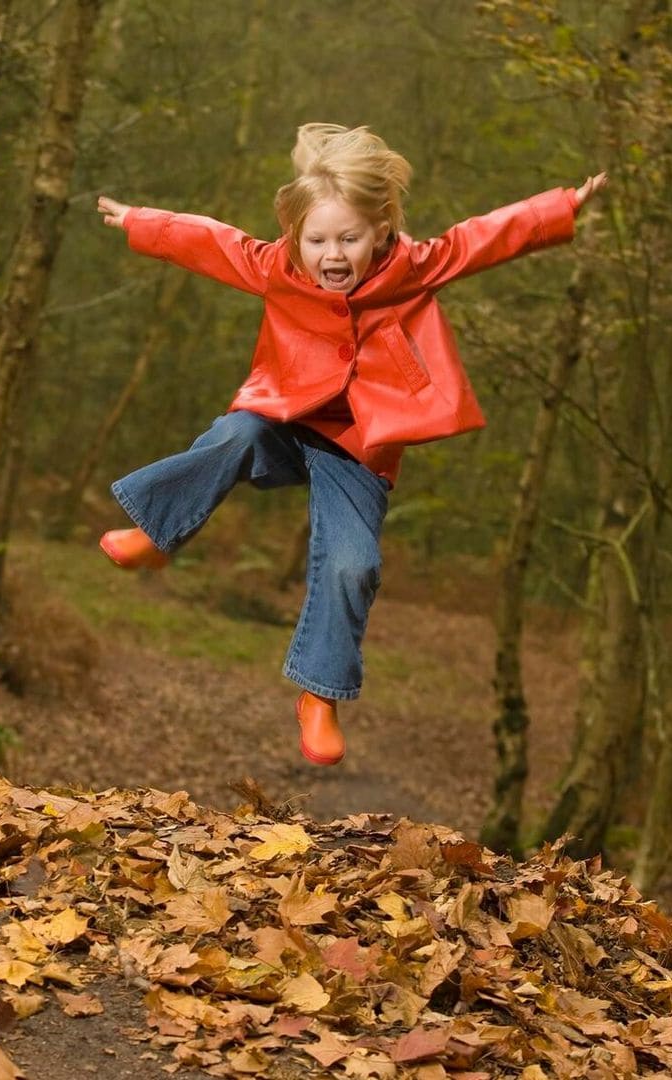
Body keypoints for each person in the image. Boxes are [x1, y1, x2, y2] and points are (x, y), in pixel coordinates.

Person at [93, 122, 606, 767]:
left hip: (361, 445)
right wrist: (141, 220)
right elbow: (208, 240)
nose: (331, 254)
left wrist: (559, 207)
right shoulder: (276, 266)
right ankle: (158, 532)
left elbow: (483, 238)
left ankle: (319, 694)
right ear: (293, 238)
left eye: (349, 239)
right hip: (282, 416)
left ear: (382, 232)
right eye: (317, 240)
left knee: (353, 564)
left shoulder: (413, 267)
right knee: (235, 431)